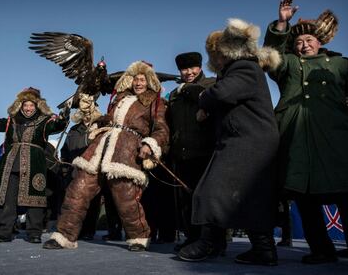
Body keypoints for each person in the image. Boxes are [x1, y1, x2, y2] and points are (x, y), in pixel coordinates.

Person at [263, 0, 348, 268]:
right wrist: (282, 24)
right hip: (296, 139)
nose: (304, 45)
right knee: (304, 197)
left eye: (309, 40)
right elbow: (270, 57)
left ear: (320, 42)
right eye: (298, 42)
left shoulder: (340, 65)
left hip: (336, 139)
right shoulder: (288, 65)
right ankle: (322, 249)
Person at [178, 18, 281, 266]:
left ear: (226, 53)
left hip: (248, 141)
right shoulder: (242, 70)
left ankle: (209, 243)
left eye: (219, 54)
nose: (217, 59)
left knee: (210, 189)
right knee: (253, 195)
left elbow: (222, 93)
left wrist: (202, 96)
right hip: (248, 140)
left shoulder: (244, 67)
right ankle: (263, 250)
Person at [43, 61, 169, 251]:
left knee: (125, 197)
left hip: (127, 151)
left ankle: (139, 237)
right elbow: (109, 119)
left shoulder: (155, 102)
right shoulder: (119, 99)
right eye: (135, 79)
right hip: (99, 149)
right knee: (77, 189)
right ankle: (64, 235)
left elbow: (161, 129)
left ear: (149, 81)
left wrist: (150, 144)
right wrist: (97, 121)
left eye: (142, 79)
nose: (138, 83)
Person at [0, 87, 68, 243]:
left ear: (37, 106)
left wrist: (63, 117)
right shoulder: (12, 120)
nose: (28, 108)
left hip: (34, 163)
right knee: (7, 199)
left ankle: (34, 233)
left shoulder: (45, 121)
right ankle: (4, 232)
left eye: (31, 105)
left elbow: (57, 127)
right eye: (26, 105)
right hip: (11, 163)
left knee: (34, 199)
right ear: (21, 106)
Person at [166, 52, 217, 250]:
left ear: (200, 67)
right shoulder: (175, 96)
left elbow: (213, 101)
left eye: (192, 68)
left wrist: (187, 90)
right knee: (186, 201)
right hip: (182, 154)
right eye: (184, 69)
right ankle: (192, 238)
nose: (188, 72)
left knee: (207, 198)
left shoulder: (211, 84)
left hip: (206, 152)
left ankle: (213, 241)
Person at [59, 93, 106, 240]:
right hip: (74, 171)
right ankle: (72, 230)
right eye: (84, 111)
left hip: (93, 171)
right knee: (73, 203)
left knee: (92, 204)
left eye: (90, 111)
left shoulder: (102, 128)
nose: (87, 114)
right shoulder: (74, 130)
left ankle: (88, 230)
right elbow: (66, 149)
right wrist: (65, 169)